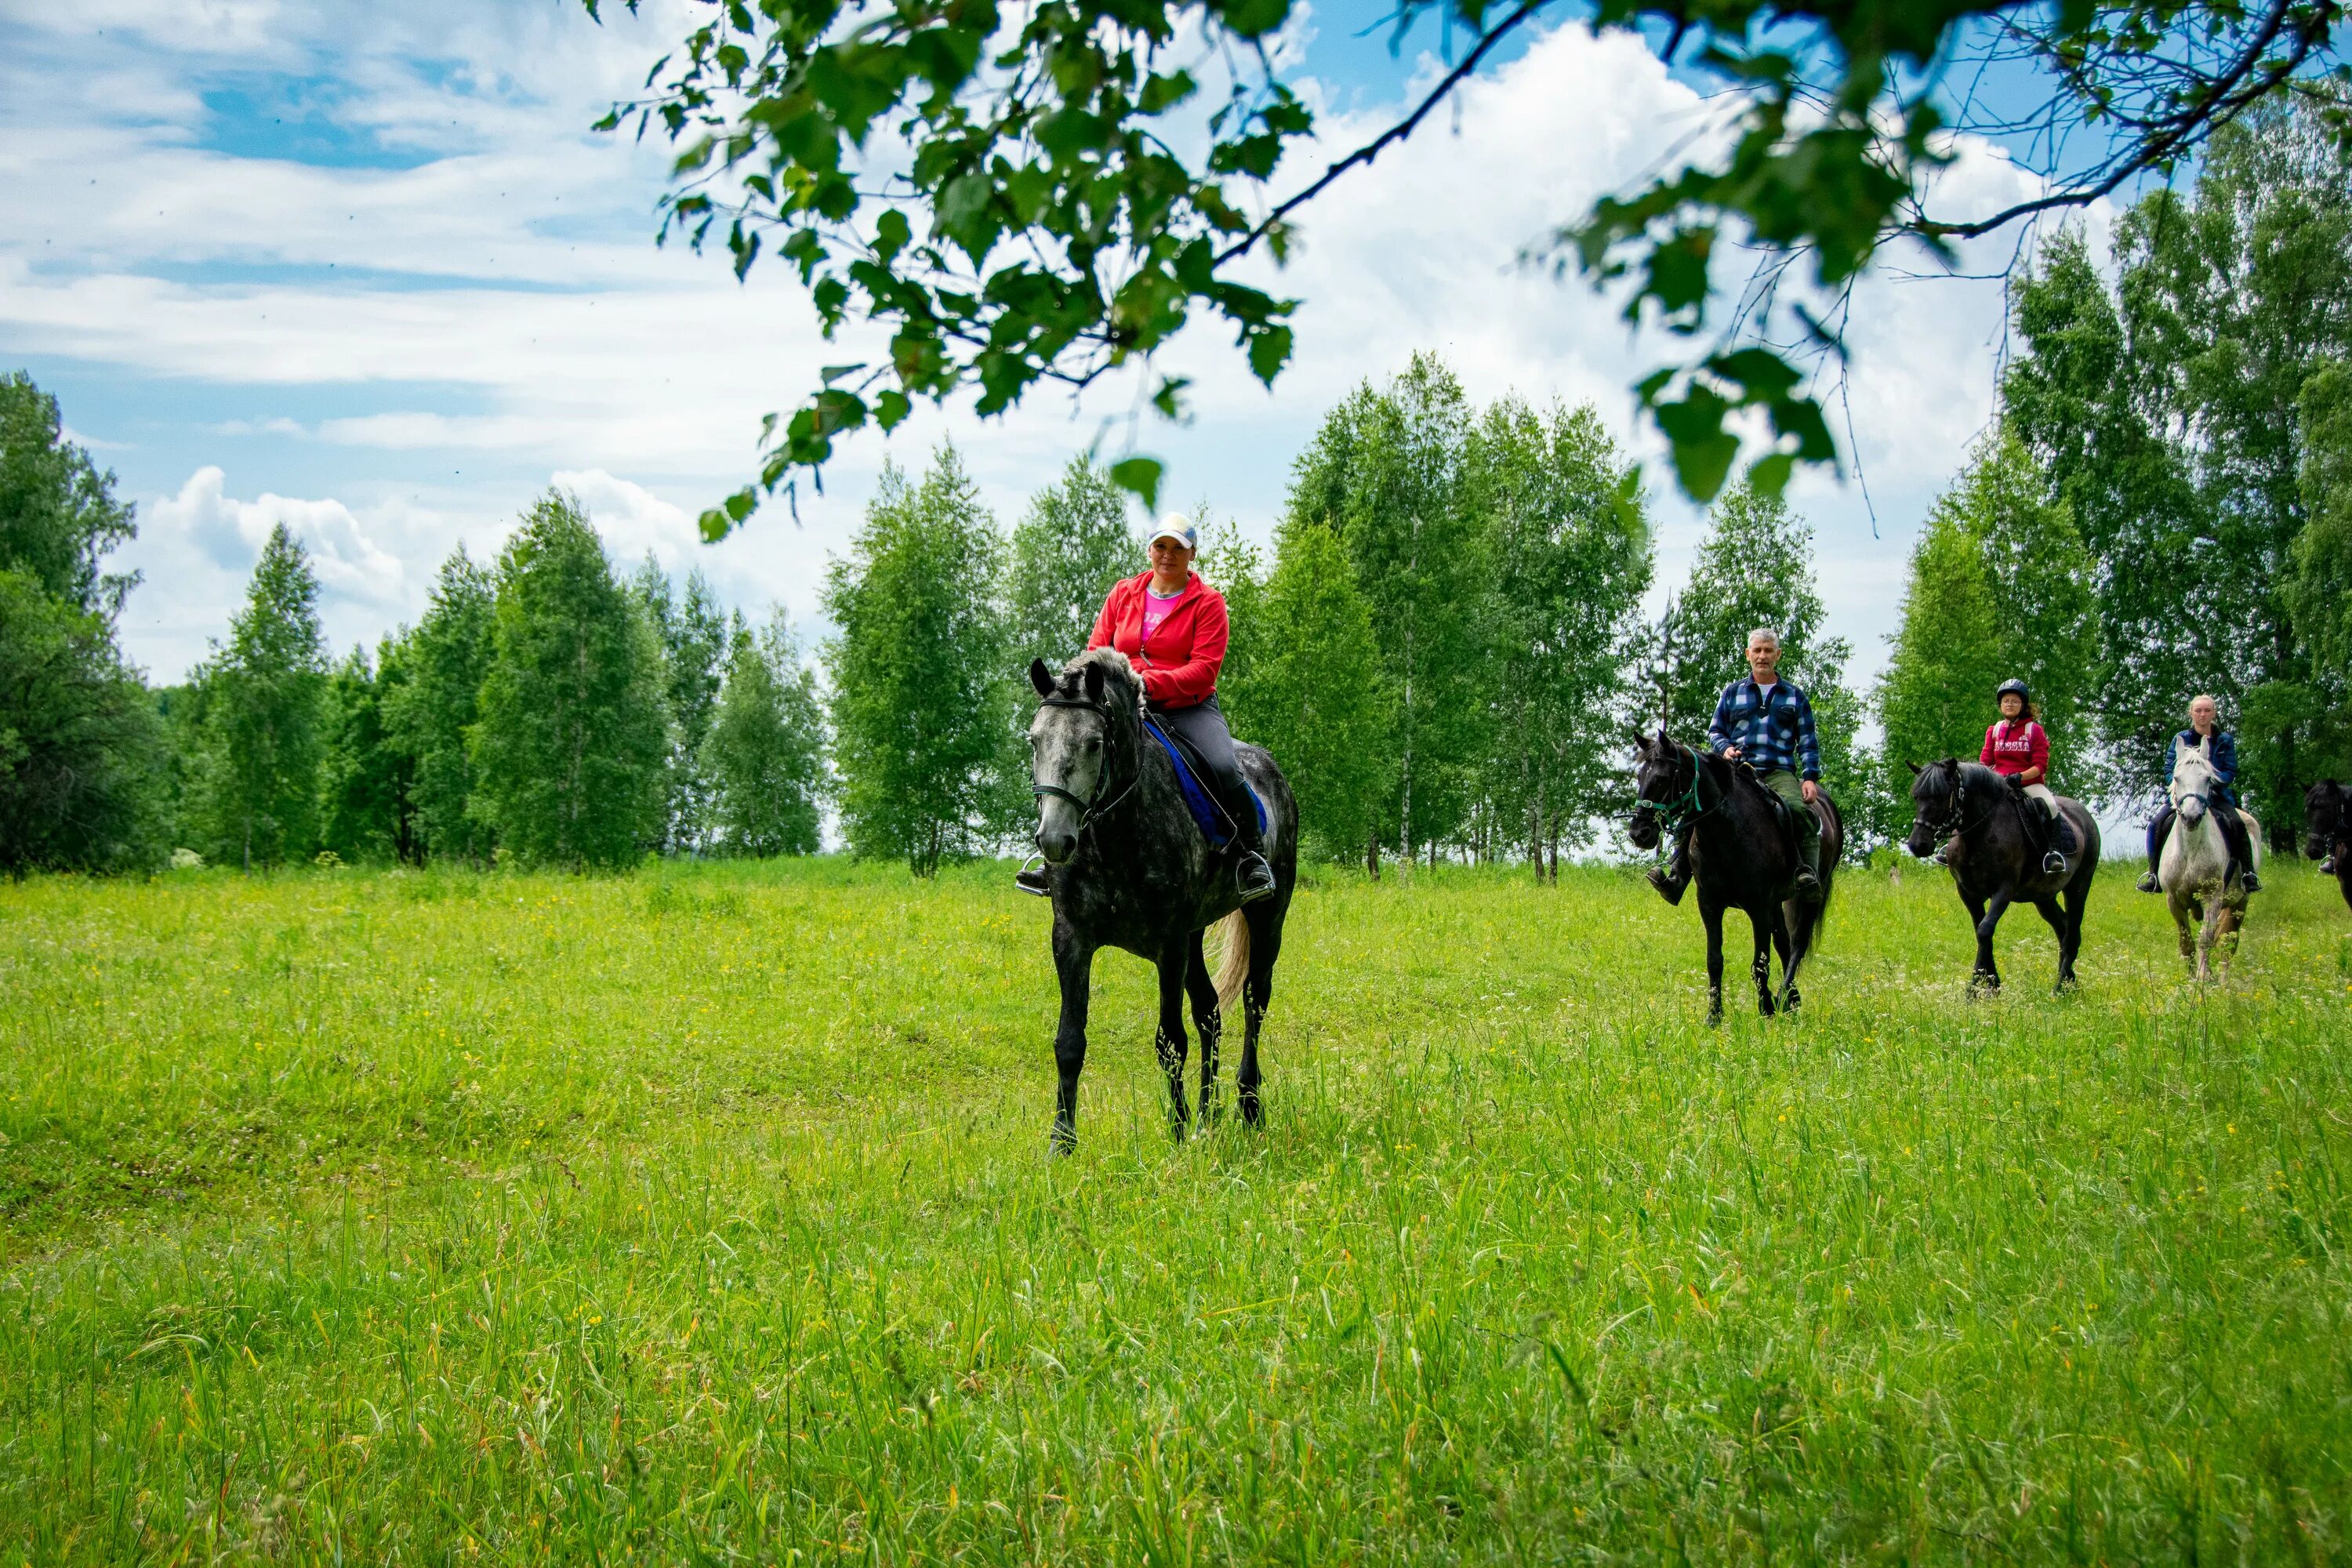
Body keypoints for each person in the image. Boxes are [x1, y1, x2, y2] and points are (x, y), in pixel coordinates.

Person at [1017, 517, 1277, 902]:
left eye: (1177, 548)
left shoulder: (1208, 603)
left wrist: (1149, 684)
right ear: (1149, 551)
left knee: (1223, 765)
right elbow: (1096, 652)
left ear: (1192, 554)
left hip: (1187, 707)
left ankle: (1250, 854)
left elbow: (1204, 669)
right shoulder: (1123, 593)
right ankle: (1054, 860)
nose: (1168, 556)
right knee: (1078, 758)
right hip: (1123, 708)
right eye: (1160, 547)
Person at [1648, 627, 1824, 906]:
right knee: (1697, 808)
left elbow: (1808, 742)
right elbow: (1715, 731)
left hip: (1778, 772)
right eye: (1757, 650)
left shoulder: (1795, 697)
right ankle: (1676, 878)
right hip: (1737, 772)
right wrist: (1724, 748)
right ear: (1748, 655)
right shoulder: (1732, 693)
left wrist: (1810, 778)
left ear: (1778, 655)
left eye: (1768, 651)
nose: (1762, 656)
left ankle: (1807, 875)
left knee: (1799, 810)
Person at [2138, 693, 2262, 894]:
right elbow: (2170, 770)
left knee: (2238, 824)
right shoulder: (2181, 739)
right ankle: (2153, 874)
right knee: (2155, 825)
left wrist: (2209, 779)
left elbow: (2230, 771)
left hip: (2217, 797)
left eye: (2207, 710)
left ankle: (2248, 873)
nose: (2202, 715)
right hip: (2185, 797)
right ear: (2191, 714)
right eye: (2198, 710)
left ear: (2213, 713)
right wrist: (2186, 786)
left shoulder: (2224, 740)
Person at [1980, 678, 2072, 875]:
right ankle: (1953, 847)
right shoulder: (1994, 730)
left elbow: (2041, 765)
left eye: (2014, 701)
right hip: (1999, 784)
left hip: (2027, 783)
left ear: (2023, 705)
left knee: (2051, 805)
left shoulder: (2034, 731)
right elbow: (1985, 762)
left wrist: (2019, 777)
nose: (2010, 704)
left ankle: (2053, 853)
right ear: (2000, 705)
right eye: (2006, 701)